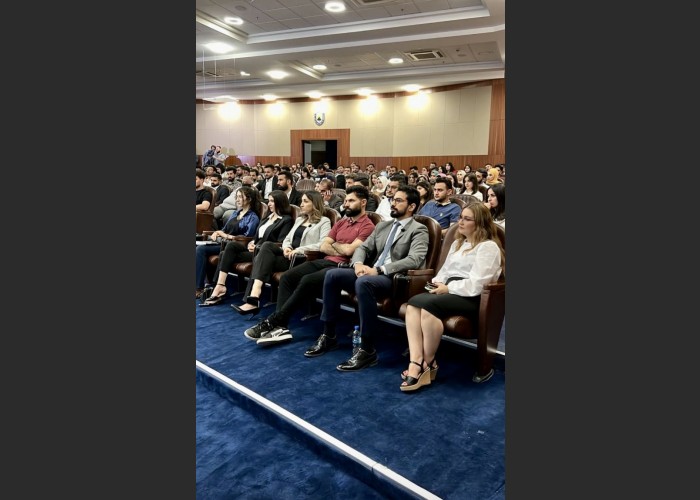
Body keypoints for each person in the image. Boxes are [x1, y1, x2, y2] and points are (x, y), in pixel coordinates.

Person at [306, 186, 429, 371]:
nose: (393, 203)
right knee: (332, 275)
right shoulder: (383, 226)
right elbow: (363, 248)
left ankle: (367, 349)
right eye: (393, 200)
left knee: (364, 282)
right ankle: (329, 335)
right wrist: (357, 264)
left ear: (411, 206)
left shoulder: (419, 229)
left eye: (398, 201)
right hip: (370, 272)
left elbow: (414, 259)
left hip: (394, 278)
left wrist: (379, 270)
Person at [243, 185, 376, 344]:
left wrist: (335, 246)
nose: (346, 204)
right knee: (287, 277)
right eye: (346, 200)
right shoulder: (342, 222)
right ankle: (281, 327)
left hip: (343, 267)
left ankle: (274, 322)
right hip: (325, 260)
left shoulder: (368, 226)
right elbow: (324, 246)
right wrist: (339, 247)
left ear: (363, 203)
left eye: (351, 201)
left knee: (307, 280)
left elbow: (349, 251)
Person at [400, 203, 504, 391]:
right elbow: (445, 271)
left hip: (471, 297)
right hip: (449, 290)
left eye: (467, 219)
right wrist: (436, 284)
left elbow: (477, 284)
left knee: (426, 307)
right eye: (460, 217)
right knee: (413, 304)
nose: (460, 222)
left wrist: (448, 288)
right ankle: (417, 361)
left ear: (480, 223)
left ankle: (426, 363)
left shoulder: (488, 247)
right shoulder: (458, 243)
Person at [234, 191, 331, 314]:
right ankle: (254, 296)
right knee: (266, 246)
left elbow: (322, 244)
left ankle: (253, 300)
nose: (301, 204)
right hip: (287, 255)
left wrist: (297, 250)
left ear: (315, 204)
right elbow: (287, 239)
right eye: (301, 201)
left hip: (302, 258)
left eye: (305, 201)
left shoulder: (324, 221)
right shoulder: (300, 219)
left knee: (260, 259)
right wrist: (287, 247)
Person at [202, 190, 293, 306]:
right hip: (254, 250)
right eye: (269, 201)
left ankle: (244, 298)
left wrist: (258, 246)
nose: (269, 204)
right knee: (230, 247)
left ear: (280, 202)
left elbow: (280, 242)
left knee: (225, 254)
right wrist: (252, 242)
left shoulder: (286, 220)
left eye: (272, 201)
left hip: (265, 253)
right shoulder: (267, 217)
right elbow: (256, 236)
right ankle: (220, 285)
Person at [195, 186, 261, 299]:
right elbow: (224, 229)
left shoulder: (253, 217)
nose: (237, 199)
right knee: (198, 245)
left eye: (240, 197)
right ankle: (205, 284)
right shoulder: (236, 213)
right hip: (223, 243)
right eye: (237, 197)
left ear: (249, 199)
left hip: (237, 246)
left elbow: (246, 238)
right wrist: (217, 233)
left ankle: (199, 288)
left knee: (201, 250)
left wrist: (225, 235)